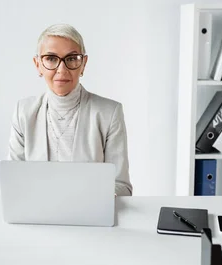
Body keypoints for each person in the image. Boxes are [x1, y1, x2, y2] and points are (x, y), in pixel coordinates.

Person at [8, 23, 133, 196]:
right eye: (51, 58)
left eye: (72, 58)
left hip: (89, 217)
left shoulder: (109, 113)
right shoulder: (24, 112)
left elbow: (121, 187)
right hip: (38, 218)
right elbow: (12, 182)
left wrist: (82, 200)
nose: (62, 69)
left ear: (83, 64)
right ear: (38, 64)